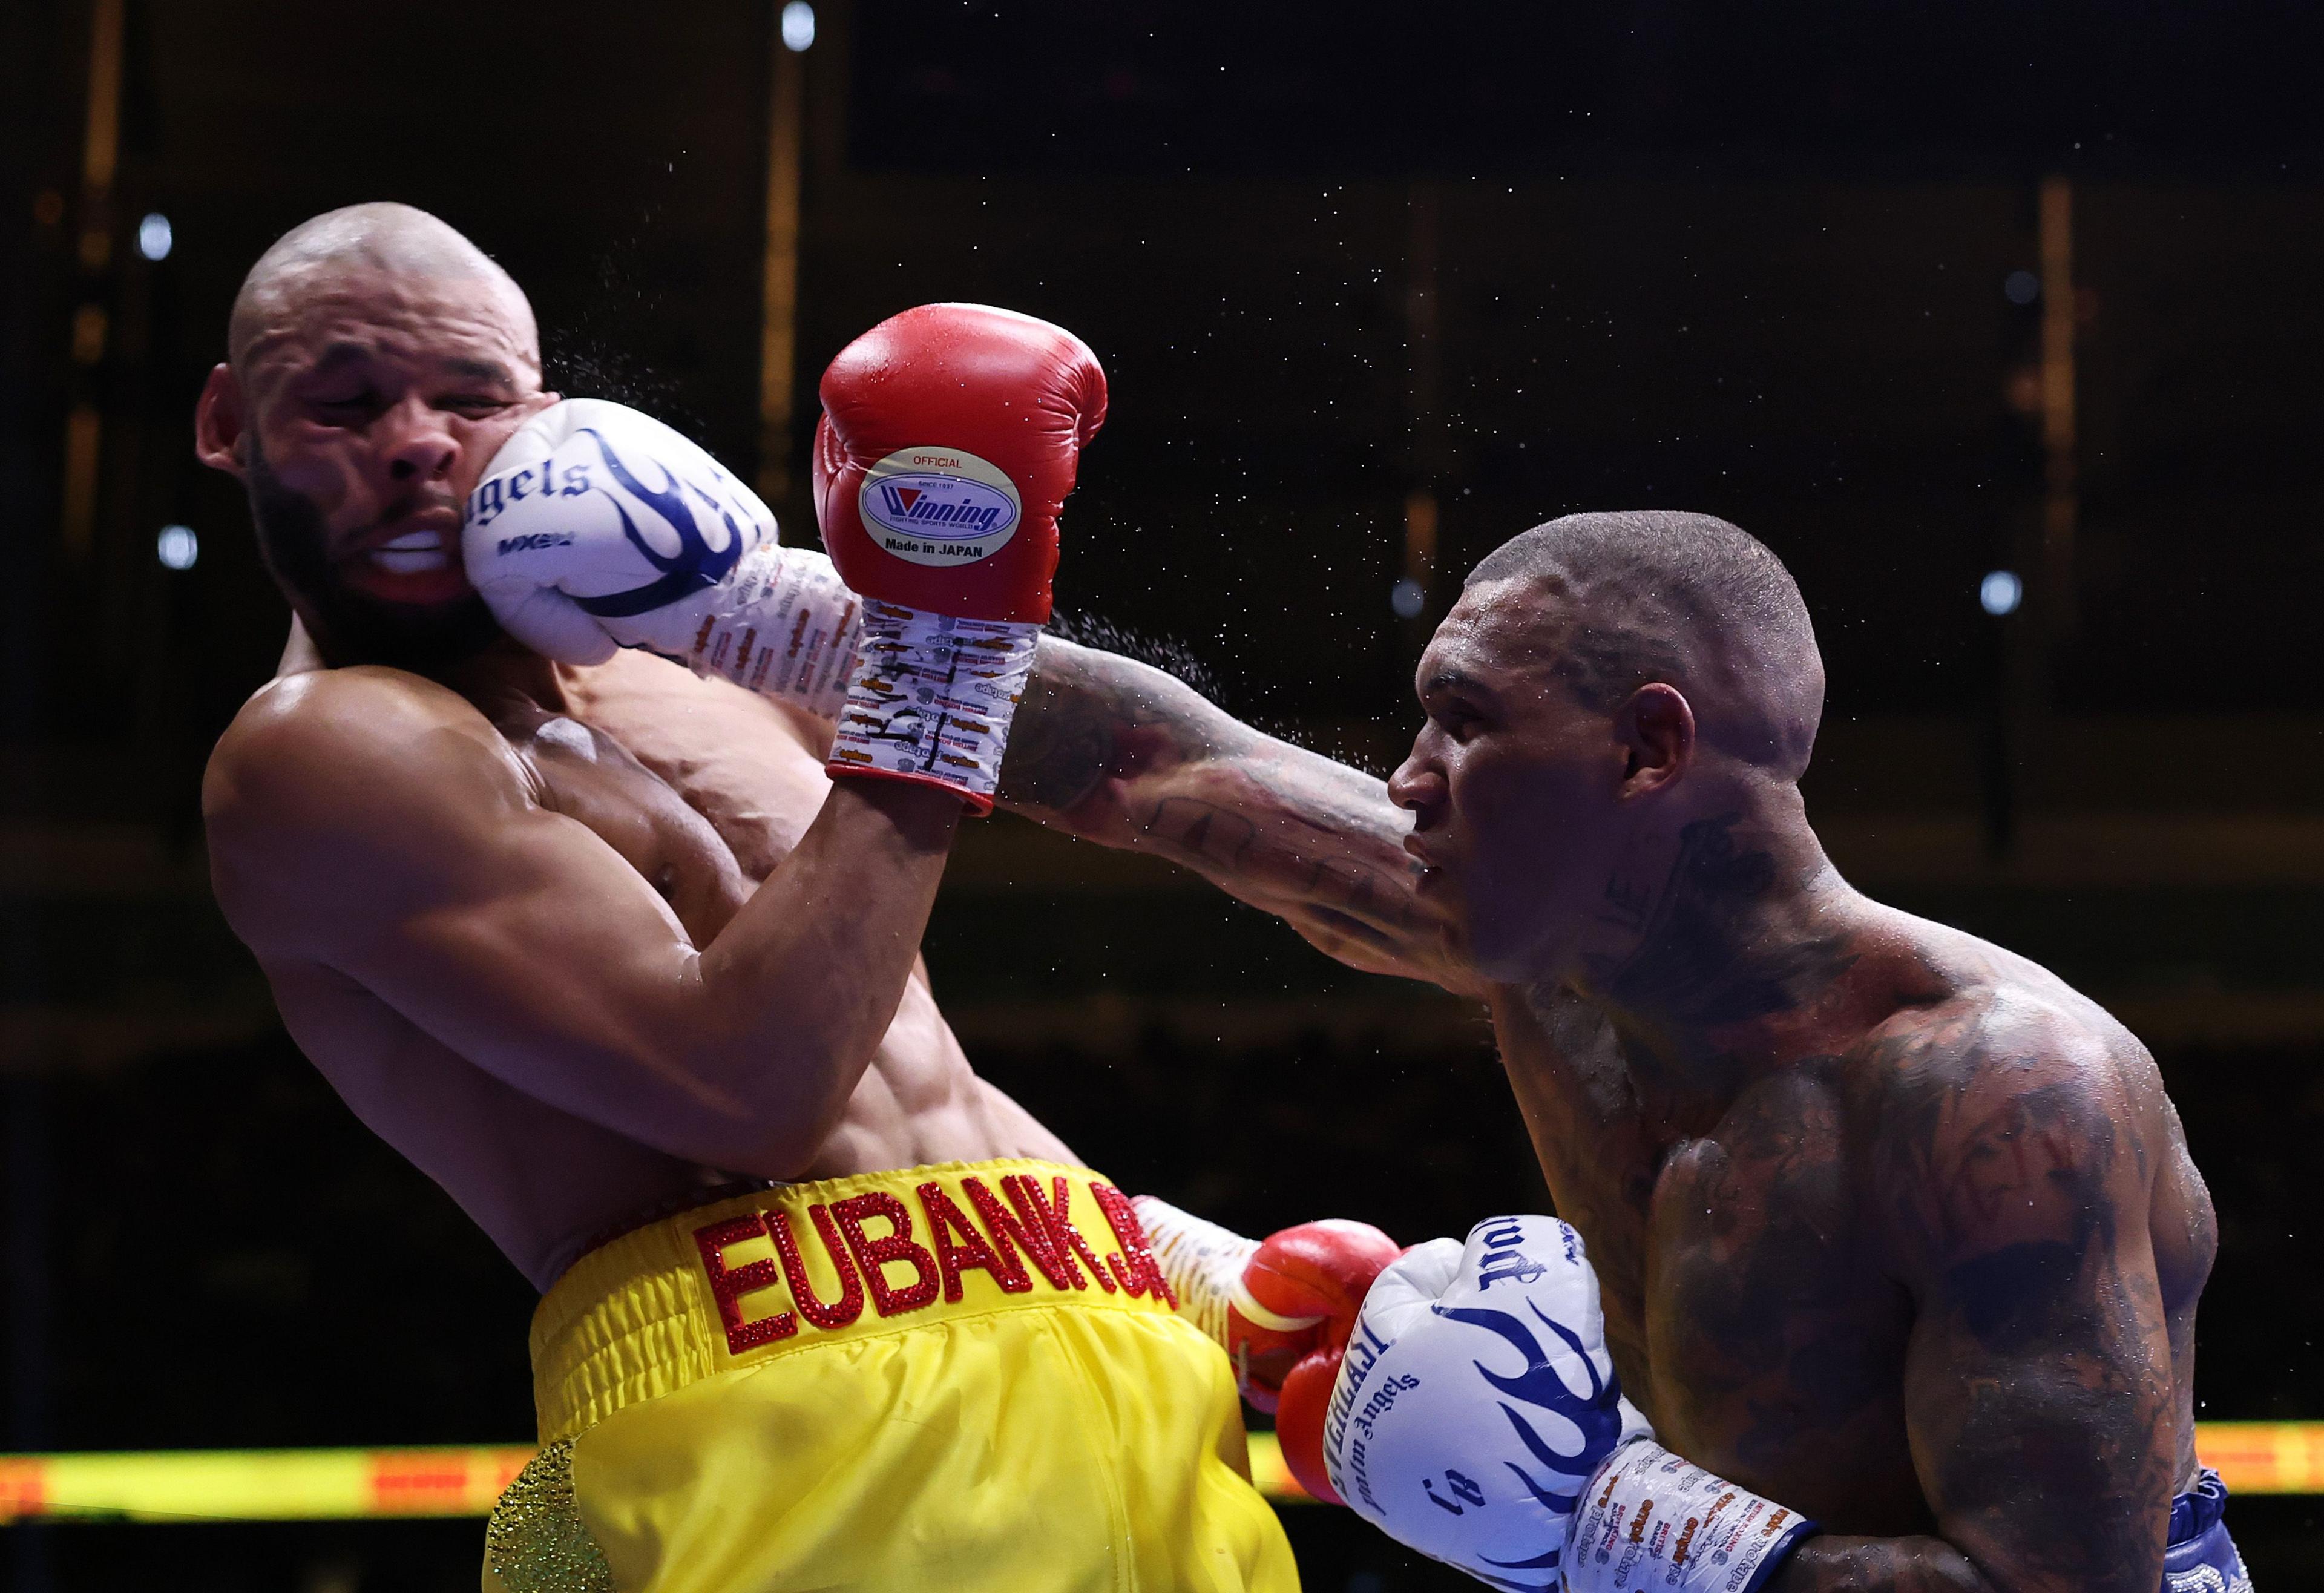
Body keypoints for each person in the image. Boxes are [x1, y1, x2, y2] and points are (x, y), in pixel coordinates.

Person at [194, 202, 1393, 1593]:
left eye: (470, 399)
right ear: (231, 421)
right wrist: (940, 659)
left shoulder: (707, 646)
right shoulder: (317, 754)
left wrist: (1209, 1273)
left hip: (1113, 1356)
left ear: (547, 413)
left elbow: (1124, 772)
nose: (414, 441)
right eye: (343, 403)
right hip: (792, 1413)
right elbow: (755, 1087)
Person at [988, 511, 2243, 1590]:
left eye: (1464, 722)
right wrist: (813, 629)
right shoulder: (1548, 950)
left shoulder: (1999, 1098)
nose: (1407, 780)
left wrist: (1608, 1518)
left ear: (1648, 749)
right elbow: (1155, 763)